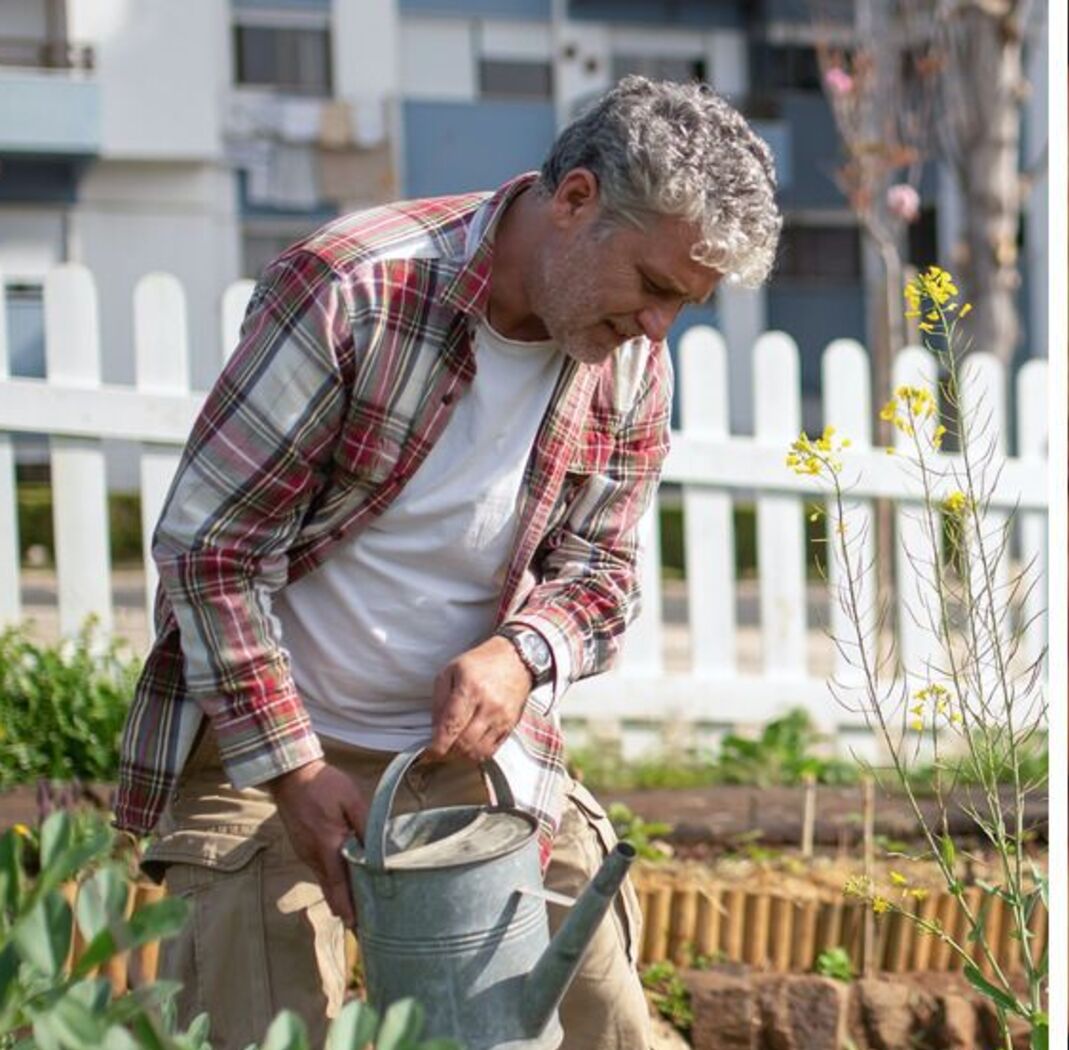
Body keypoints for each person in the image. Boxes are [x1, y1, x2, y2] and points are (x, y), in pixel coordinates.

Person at [110, 76, 781, 1049]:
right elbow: (212, 549)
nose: (659, 327)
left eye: (688, 303)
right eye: (654, 287)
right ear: (576, 200)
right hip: (264, 759)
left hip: (470, 765)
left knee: (605, 1022)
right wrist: (295, 770)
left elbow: (602, 578)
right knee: (259, 1022)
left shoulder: (629, 359)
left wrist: (520, 654)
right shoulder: (354, 290)